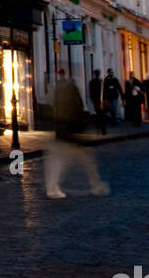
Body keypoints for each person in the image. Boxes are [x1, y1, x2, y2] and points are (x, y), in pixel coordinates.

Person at [45, 68, 109, 199]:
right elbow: (77, 105)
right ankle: (96, 185)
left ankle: (53, 188)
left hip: (62, 128)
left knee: (60, 159)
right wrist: (80, 123)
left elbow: (54, 106)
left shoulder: (57, 88)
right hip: (70, 128)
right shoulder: (71, 87)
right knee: (85, 158)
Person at [88, 69, 106, 136]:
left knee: (99, 114)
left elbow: (91, 92)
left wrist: (92, 99)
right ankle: (102, 129)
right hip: (99, 100)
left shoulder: (93, 82)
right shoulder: (99, 81)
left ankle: (99, 129)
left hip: (97, 100)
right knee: (101, 115)